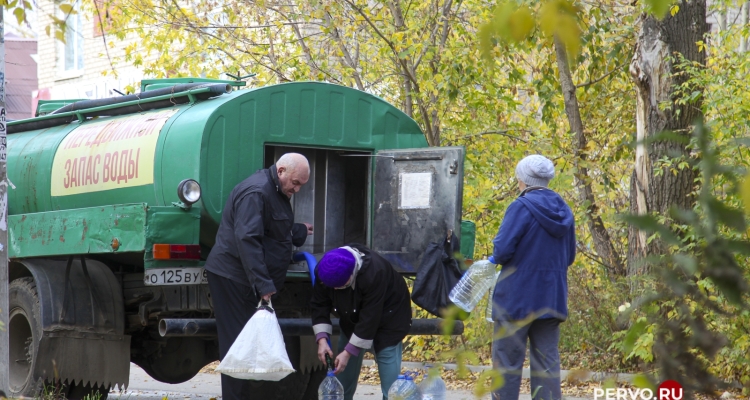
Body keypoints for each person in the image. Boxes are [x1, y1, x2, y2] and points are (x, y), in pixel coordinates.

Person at [204, 153, 314, 400]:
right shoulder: (257, 192)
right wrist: (263, 283)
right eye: (295, 183)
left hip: (247, 279)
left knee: (249, 346)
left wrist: (298, 231)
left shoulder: (275, 191)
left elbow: (272, 230)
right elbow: (248, 239)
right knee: (238, 347)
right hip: (233, 278)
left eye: (301, 185)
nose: (296, 189)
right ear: (282, 170)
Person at [488, 154, 576, 400]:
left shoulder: (520, 207)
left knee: (507, 362)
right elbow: (569, 257)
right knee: (547, 364)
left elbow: (502, 250)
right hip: (552, 297)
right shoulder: (564, 210)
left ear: (523, 180)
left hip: (516, 298)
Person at [311, 244, 412, 400]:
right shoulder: (324, 269)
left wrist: (348, 351)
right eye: (333, 288)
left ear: (353, 274)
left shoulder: (375, 272)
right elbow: (319, 304)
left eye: (341, 286)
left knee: (392, 387)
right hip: (351, 318)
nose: (336, 291)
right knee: (342, 382)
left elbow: (370, 318)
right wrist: (322, 339)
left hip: (390, 320)